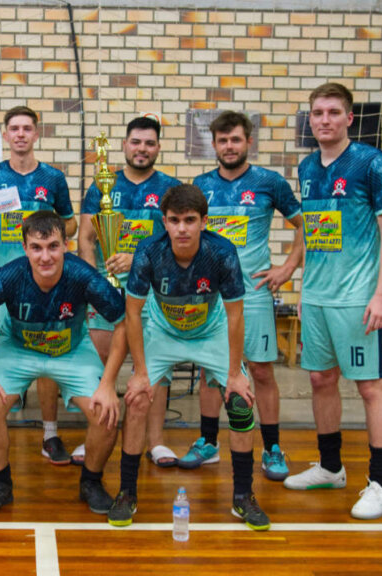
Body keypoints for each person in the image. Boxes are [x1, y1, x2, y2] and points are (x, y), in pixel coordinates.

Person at [108, 184, 270, 531]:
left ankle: (243, 496)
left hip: (210, 331)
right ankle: (126, 492)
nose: (182, 228)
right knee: (136, 399)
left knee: (241, 402)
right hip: (164, 332)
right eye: (174, 220)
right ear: (164, 222)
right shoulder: (149, 251)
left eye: (190, 220)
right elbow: (133, 314)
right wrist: (138, 371)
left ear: (204, 221)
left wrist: (234, 373)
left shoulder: (222, 252)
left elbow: (236, 315)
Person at [0, 211, 126, 516]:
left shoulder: (83, 275)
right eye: (36, 248)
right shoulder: (10, 275)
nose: (45, 257)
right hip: (18, 349)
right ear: (25, 247)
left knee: (106, 411)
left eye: (53, 247)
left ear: (66, 245)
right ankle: (0, 483)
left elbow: (124, 322)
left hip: (71, 350)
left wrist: (109, 383)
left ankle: (91, 482)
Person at [284, 82, 382, 521]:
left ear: (349, 118)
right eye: (317, 113)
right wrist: (303, 287)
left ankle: (381, 484)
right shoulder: (308, 166)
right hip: (317, 297)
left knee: (370, 386)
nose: (325, 119)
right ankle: (331, 467)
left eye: (333, 112)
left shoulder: (371, 162)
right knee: (320, 381)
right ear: (310, 119)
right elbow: (315, 232)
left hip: (357, 299)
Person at [177, 111, 303, 478]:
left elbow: (304, 225)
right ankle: (208, 442)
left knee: (261, 371)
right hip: (210, 298)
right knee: (209, 374)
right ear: (213, 145)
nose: (228, 146)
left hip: (253, 294)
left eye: (235, 139)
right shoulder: (200, 185)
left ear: (249, 142)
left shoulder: (269, 182)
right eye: (222, 140)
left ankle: (274, 448)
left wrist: (287, 267)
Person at [0, 106, 78, 465]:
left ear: (36, 133)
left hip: (47, 280)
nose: (20, 134)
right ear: (5, 134)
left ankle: (50, 434)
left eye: (27, 128)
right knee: (0, 353)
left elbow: (72, 227)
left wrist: (53, 230)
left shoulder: (53, 178)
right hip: (4, 278)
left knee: (46, 351)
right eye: (13, 128)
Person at [78, 115, 181, 467]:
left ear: (158, 148)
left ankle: (156, 442)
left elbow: (179, 241)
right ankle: (92, 433)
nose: (142, 149)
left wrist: (138, 259)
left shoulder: (170, 187)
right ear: (124, 145)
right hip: (107, 292)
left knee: (153, 368)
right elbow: (86, 239)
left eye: (149, 143)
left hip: (153, 293)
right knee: (97, 364)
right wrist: (93, 284)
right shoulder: (102, 185)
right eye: (136, 142)